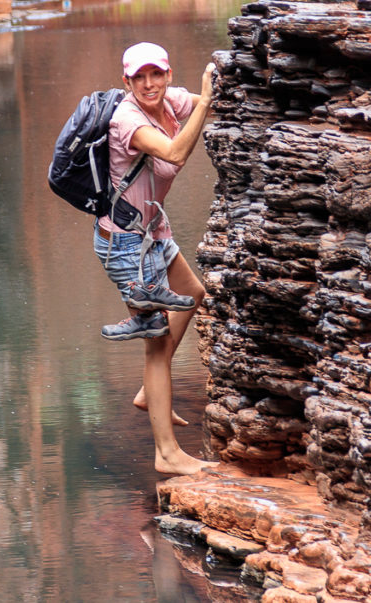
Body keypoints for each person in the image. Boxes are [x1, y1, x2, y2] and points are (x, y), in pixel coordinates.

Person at [93, 42, 218, 476]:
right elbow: (176, 152)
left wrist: (214, 90)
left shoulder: (171, 101)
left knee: (192, 292)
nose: (149, 84)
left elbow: (211, 101)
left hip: (153, 234)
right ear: (126, 82)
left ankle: (151, 391)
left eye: (156, 75)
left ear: (167, 75)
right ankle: (166, 454)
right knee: (157, 347)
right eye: (139, 78)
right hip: (125, 245)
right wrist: (204, 97)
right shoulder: (128, 120)